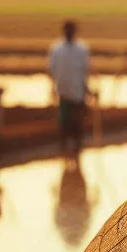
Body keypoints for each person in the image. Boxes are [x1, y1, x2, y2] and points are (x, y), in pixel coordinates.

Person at [47, 19, 93, 156]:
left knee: (77, 121)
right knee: (64, 121)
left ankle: (76, 149)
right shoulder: (56, 49)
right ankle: (65, 148)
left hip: (78, 90)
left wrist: (87, 89)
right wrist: (53, 88)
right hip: (63, 90)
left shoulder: (82, 49)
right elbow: (52, 71)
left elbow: (85, 71)